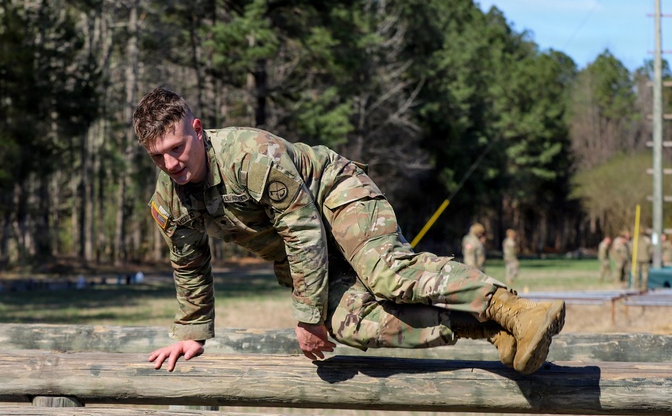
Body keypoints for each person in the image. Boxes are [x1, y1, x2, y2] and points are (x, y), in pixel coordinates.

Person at [133, 87, 564, 375]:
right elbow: (188, 265)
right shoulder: (169, 199)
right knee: (349, 322)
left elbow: (302, 230)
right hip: (297, 247)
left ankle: (515, 310)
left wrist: (305, 314)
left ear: (197, 130)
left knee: (385, 274)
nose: (171, 165)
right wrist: (191, 332)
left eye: (177, 149)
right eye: (158, 157)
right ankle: (490, 328)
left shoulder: (251, 156)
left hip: (331, 196)